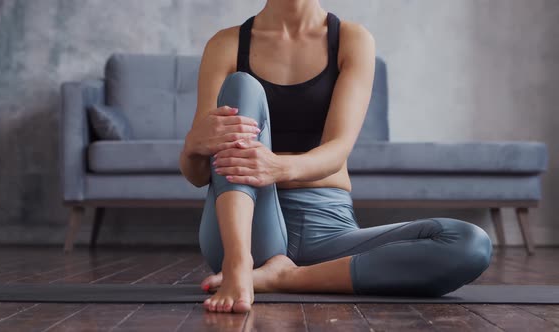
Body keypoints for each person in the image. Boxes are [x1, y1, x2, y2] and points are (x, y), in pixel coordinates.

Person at [179, 0, 493, 314]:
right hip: (245, 231)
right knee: (242, 86)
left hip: (329, 232)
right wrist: (193, 144)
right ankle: (239, 264)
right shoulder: (226, 44)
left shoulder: (352, 40)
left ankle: (284, 279)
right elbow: (197, 174)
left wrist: (277, 166)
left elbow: (337, 150)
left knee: (468, 243)